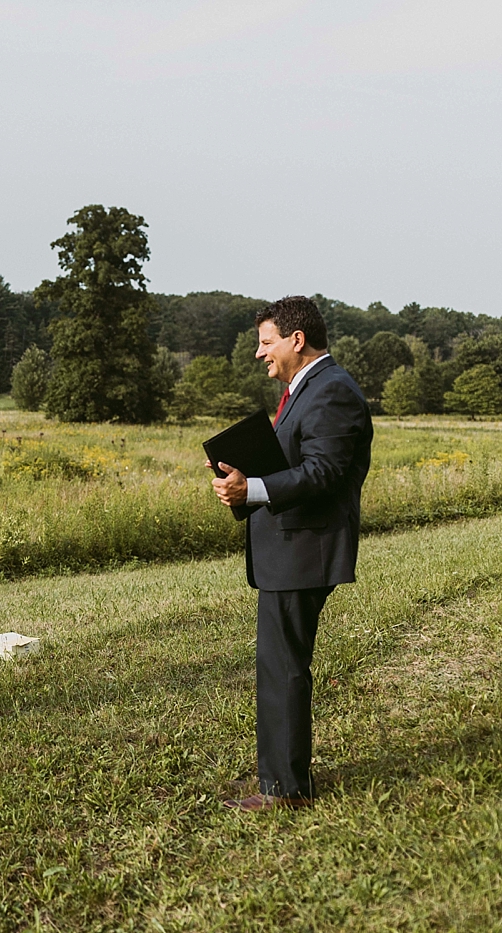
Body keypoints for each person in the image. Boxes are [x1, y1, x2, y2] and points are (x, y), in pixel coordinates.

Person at [207, 296, 372, 812]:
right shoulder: (310, 389)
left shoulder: (332, 391)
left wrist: (252, 488)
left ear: (296, 340)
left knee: (284, 668)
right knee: (276, 664)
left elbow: (323, 472)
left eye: (266, 341)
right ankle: (277, 776)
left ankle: (284, 792)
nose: (260, 354)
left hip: (304, 549)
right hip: (291, 547)